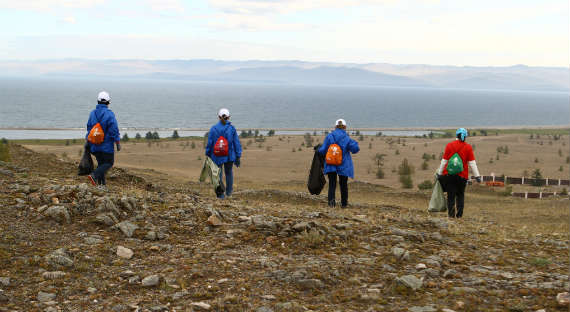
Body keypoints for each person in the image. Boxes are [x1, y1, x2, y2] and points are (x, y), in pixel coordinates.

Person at [436, 128, 481, 218]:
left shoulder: (449, 145)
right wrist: (477, 176)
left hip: (449, 175)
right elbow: (472, 163)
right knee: (460, 195)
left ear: (456, 135)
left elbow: (444, 161)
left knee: (451, 196)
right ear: (465, 136)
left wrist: (440, 173)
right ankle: (459, 215)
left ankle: (451, 216)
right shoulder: (468, 147)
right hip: (462, 176)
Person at [318, 119, 360, 208]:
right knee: (343, 185)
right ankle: (344, 204)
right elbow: (355, 149)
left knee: (332, 184)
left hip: (330, 164)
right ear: (345, 127)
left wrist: (318, 149)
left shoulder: (329, 137)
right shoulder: (347, 138)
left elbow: (322, 151)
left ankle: (331, 204)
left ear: (335, 127)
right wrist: (354, 143)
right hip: (344, 165)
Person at [86, 91, 121, 189]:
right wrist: (117, 142)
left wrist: (88, 141)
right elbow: (114, 129)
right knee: (109, 163)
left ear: (97, 101)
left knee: (101, 164)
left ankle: (102, 186)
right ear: (108, 102)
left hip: (94, 145)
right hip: (106, 146)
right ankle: (94, 175)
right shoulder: (110, 114)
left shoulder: (92, 113)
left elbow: (89, 128)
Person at [205, 108, 242, 199]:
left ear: (219, 117)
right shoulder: (232, 128)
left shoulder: (213, 128)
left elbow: (210, 143)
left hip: (217, 156)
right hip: (229, 156)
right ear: (229, 117)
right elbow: (236, 143)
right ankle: (229, 193)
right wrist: (238, 156)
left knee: (218, 175)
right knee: (229, 173)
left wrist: (208, 154)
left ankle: (220, 195)